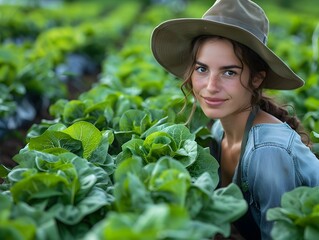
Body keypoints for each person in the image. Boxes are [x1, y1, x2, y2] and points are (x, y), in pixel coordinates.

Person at [150, 0, 319, 239]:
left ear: (257, 79)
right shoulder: (220, 129)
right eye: (202, 69)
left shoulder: (267, 151)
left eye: (229, 72)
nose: (210, 87)